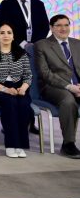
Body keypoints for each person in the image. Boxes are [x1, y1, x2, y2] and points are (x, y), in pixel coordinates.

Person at [0, 22, 32, 158]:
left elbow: (28, 75)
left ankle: (20, 145)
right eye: (2, 33)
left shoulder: (22, 54)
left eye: (9, 33)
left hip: (19, 87)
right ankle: (11, 145)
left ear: (13, 36)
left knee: (24, 104)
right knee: (10, 103)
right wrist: (5, 89)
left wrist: (23, 88)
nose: (6, 35)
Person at [34, 14, 80, 158]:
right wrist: (70, 87)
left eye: (66, 25)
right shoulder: (42, 45)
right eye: (59, 25)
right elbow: (45, 73)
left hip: (78, 86)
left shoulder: (77, 44)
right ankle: (68, 144)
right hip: (53, 87)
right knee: (68, 101)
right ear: (51, 28)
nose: (63, 28)